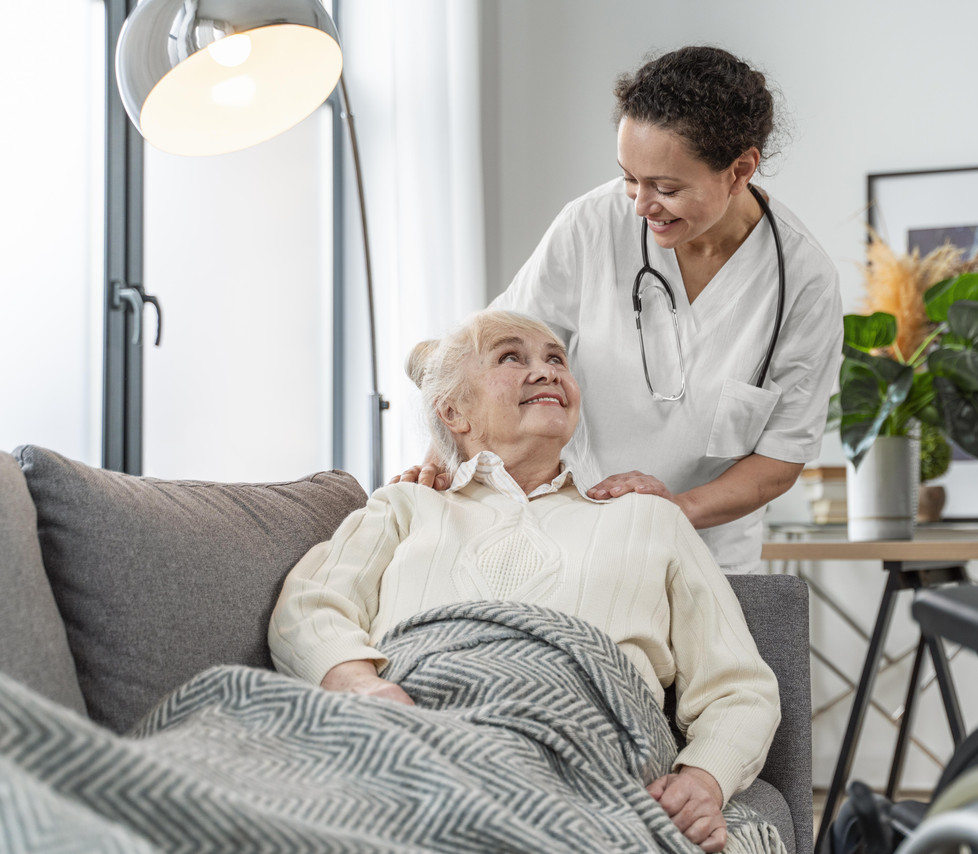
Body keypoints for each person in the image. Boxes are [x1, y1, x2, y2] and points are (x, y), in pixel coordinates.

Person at [270, 309, 781, 854]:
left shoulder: (648, 517)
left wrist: (703, 780)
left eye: (556, 359)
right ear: (455, 412)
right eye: (511, 357)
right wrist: (360, 685)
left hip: (592, 754)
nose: (546, 371)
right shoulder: (405, 504)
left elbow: (740, 687)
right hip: (417, 739)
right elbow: (309, 605)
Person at [395, 45, 843, 574]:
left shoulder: (803, 282)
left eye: (667, 188)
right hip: (564, 529)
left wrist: (672, 510)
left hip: (704, 554)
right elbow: (489, 354)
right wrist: (442, 456)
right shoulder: (593, 224)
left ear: (740, 169)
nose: (639, 204)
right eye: (630, 177)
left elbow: (778, 461)